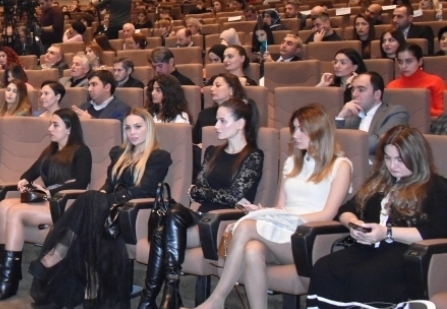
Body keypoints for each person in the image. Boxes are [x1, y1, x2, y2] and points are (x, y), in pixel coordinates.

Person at [195, 104, 352, 309]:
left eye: (300, 129)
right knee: (252, 250)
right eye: (294, 128)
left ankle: (217, 298)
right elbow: (280, 207)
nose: (294, 134)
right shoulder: (292, 163)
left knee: (245, 226)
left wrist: (275, 218)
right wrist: (264, 213)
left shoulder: (341, 166)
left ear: (318, 131)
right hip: (283, 228)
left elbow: (328, 214)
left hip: (310, 235)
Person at [29, 109, 171, 309]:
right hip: (110, 212)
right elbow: (108, 185)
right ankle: (87, 289)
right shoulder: (119, 154)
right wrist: (103, 195)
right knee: (90, 206)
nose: (132, 132)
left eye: (138, 127)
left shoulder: (158, 156)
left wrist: (105, 199)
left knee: (90, 199)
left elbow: (144, 189)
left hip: (135, 214)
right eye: (128, 127)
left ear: (149, 128)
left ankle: (56, 255)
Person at [138, 97, 263, 309]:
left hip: (224, 221)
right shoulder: (213, 152)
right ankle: (167, 296)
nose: (216, 126)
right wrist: (205, 192)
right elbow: (195, 191)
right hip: (200, 215)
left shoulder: (253, 156)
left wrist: (203, 192)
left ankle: (156, 298)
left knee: (161, 233)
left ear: (241, 124)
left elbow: (232, 197)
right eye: (217, 120)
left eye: (223, 121)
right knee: (174, 212)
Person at [308, 126, 447, 309]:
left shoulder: (435, 186)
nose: (392, 166)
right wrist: (354, 224)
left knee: (367, 276)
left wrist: (387, 233)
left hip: (407, 252)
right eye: (388, 158)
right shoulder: (379, 182)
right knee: (324, 267)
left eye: (399, 159)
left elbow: (435, 231)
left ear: (416, 157)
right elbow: (345, 210)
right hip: (370, 247)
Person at [0, 108, 92, 301]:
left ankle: (8, 280)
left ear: (69, 129)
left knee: (16, 212)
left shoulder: (81, 151)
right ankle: (10, 271)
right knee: (3, 206)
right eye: (50, 124)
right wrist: (24, 181)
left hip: (66, 205)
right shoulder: (50, 150)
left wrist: (49, 192)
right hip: (45, 200)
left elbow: (82, 183)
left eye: (55, 125)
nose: (50, 128)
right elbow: (29, 173)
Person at [334, 72, 408, 157]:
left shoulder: (396, 113)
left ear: (377, 94)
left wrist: (344, 144)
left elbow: (379, 143)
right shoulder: (350, 114)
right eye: (353, 89)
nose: (354, 94)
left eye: (361, 90)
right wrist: (341, 117)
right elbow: (329, 142)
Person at [387, 43, 446, 118]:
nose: (403, 66)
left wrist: (419, 110)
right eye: (400, 62)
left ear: (420, 61)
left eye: (409, 61)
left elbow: (444, 113)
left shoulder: (435, 81)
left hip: (431, 125)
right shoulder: (391, 86)